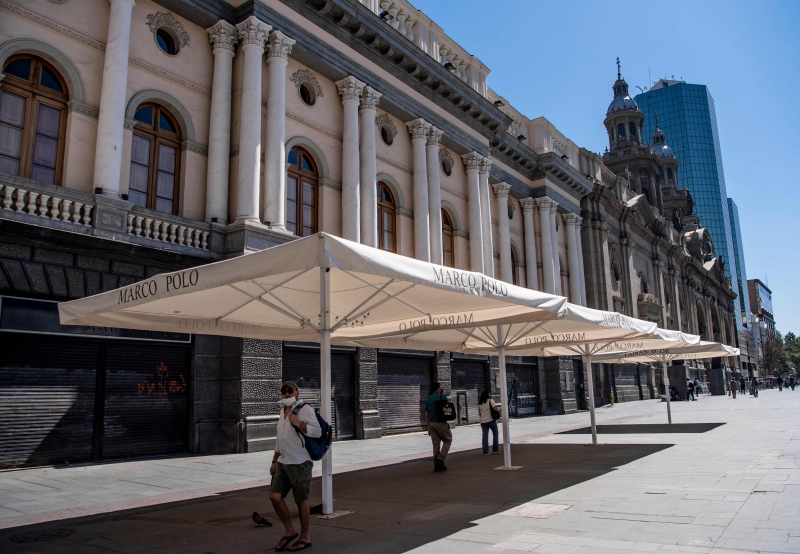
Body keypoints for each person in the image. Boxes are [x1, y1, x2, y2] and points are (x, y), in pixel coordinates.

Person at [269, 381, 321, 552]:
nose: (286, 394)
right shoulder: (282, 411)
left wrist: (299, 423)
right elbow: (280, 439)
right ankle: (289, 531)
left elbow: (317, 431)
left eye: (290, 391)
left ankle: (305, 537)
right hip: (283, 462)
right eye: (283, 392)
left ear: (297, 393)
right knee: (275, 496)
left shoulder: (305, 409)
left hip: (300, 463)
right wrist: (274, 460)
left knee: (301, 501)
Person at [425, 382, 452, 472]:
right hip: (441, 423)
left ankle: (437, 465)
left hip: (432, 423)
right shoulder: (442, 396)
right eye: (441, 387)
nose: (442, 388)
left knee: (435, 445)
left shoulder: (429, 399)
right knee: (448, 440)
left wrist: (428, 427)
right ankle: (440, 459)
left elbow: (426, 414)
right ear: (438, 388)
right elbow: (447, 409)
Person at [477, 390, 500, 456]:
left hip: (483, 421)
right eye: (489, 393)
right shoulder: (490, 400)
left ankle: (485, 451)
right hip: (491, 420)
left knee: (485, 436)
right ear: (487, 394)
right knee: (495, 434)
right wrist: (498, 410)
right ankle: (495, 449)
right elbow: (495, 408)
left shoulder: (480, 402)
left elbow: (480, 412)